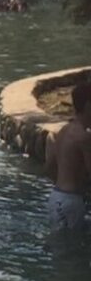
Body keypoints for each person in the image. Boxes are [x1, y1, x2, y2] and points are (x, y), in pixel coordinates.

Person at [45, 82, 91, 231]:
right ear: (88, 106)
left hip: (56, 197)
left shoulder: (63, 131)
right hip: (70, 201)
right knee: (69, 249)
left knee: (61, 247)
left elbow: (50, 166)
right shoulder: (84, 137)